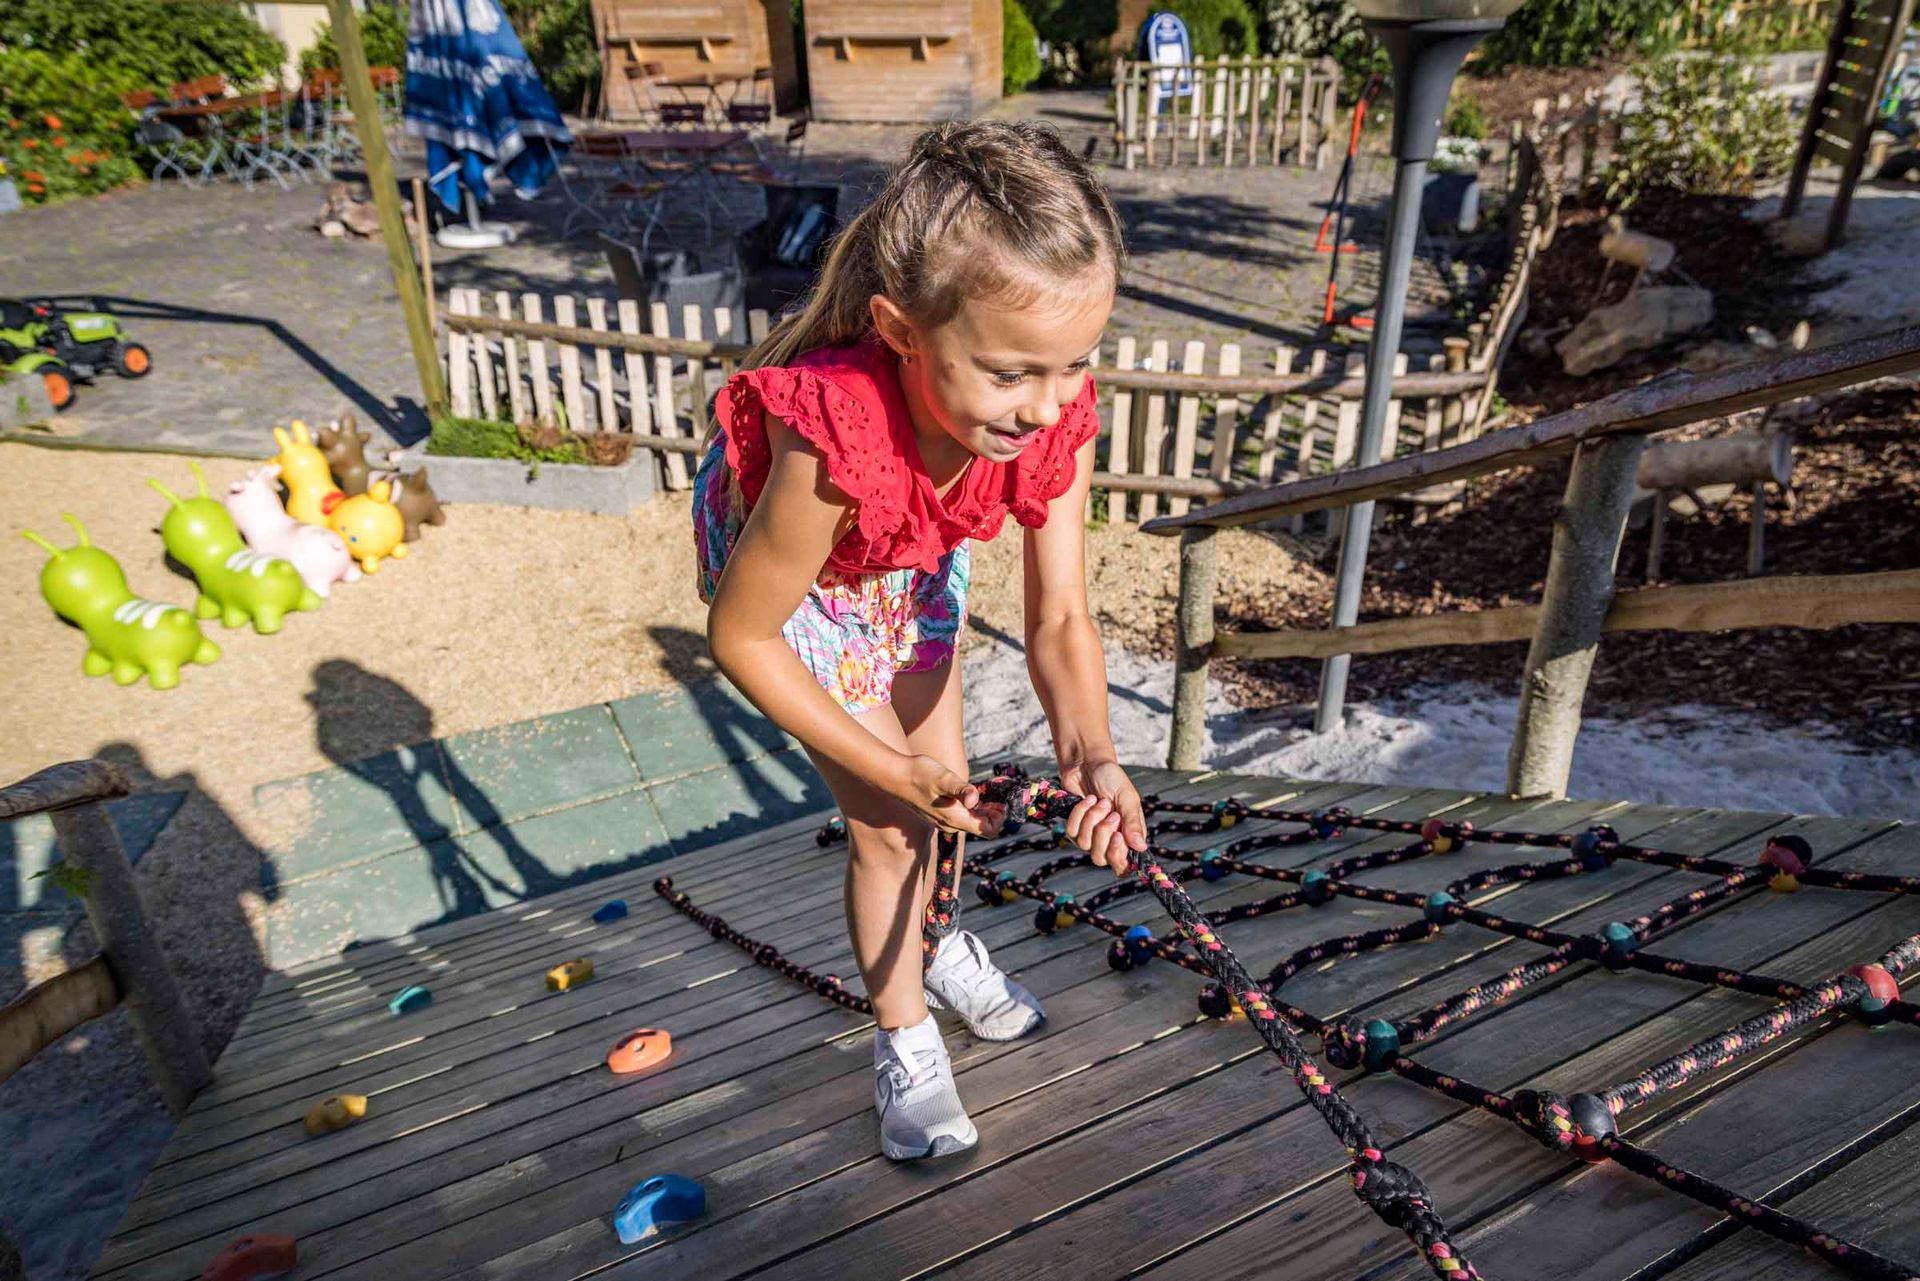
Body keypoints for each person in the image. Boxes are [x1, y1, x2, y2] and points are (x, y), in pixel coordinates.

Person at [695, 120, 1149, 1162]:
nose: (1046, 406)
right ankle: (903, 1034)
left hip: (914, 547)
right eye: (1011, 372)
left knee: (945, 780)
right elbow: (743, 635)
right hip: (804, 581)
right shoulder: (832, 432)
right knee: (894, 821)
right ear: (902, 331)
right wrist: (891, 769)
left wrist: (1094, 758)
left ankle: (935, 944)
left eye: (1075, 364)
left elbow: (1061, 616)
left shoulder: (1041, 411)